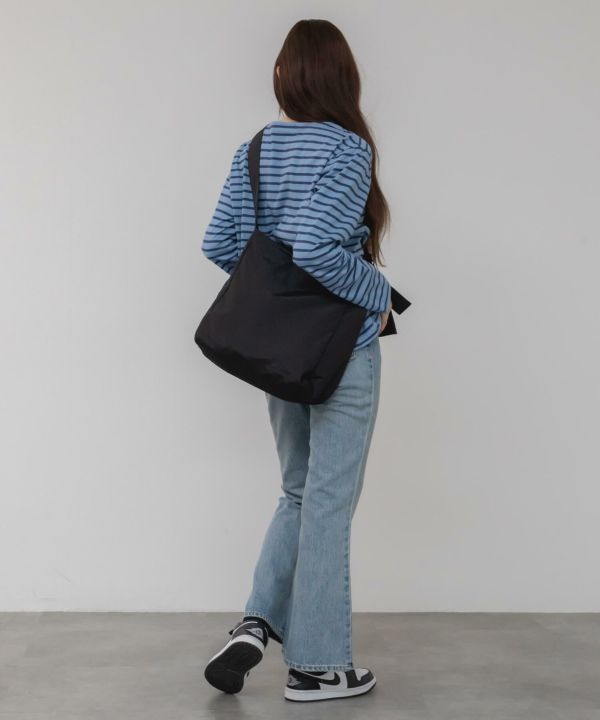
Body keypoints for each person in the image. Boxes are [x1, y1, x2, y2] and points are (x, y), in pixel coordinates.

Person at [201, 18, 393, 703]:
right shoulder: (347, 148)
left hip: (278, 350)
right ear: (343, 77)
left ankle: (257, 623)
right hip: (341, 348)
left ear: (284, 74)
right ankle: (318, 666)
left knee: (298, 492)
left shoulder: (254, 148)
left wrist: (276, 294)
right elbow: (314, 247)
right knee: (329, 501)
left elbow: (221, 243)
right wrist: (378, 295)